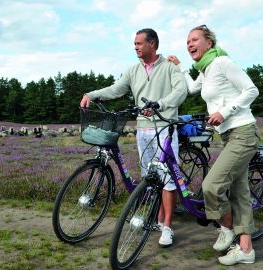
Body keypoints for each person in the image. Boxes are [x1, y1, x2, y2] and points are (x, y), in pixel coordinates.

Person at [80, 28, 187, 247]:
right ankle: (155, 219)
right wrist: (91, 95)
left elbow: (181, 91)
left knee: (166, 178)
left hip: (165, 128)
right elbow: (116, 89)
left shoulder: (169, 67)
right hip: (143, 129)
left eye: (139, 43)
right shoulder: (133, 70)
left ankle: (167, 226)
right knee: (150, 176)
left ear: (153, 44)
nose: (135, 47)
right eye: (134, 44)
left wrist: (161, 104)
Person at [167, 25, 260, 265]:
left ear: (209, 42)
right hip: (229, 136)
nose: (189, 44)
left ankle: (227, 228)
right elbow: (192, 88)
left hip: (243, 132)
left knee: (211, 185)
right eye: (187, 41)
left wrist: (225, 111)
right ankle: (246, 250)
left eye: (194, 39)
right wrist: (179, 66)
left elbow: (252, 90)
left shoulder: (222, 62)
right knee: (240, 192)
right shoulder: (206, 70)